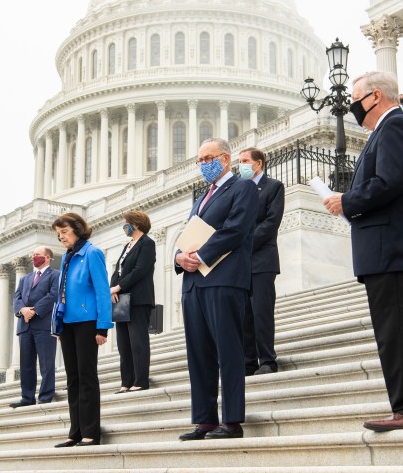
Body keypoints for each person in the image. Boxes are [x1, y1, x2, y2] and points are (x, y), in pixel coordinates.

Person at [323, 72, 403, 432]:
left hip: (394, 249)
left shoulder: (395, 127)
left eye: (356, 98)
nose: (352, 106)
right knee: (400, 330)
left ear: (375, 96)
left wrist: (347, 200)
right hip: (389, 249)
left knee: (398, 331)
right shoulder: (387, 131)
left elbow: (390, 182)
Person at [175, 137, 258, 441]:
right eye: (199, 160)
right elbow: (186, 234)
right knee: (199, 353)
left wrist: (201, 255)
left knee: (228, 350)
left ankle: (232, 419)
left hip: (224, 279)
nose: (202, 165)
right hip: (194, 282)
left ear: (224, 159)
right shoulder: (202, 196)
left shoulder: (243, 188)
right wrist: (179, 257)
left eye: (207, 158)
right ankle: (205, 419)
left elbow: (236, 230)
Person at [51, 213, 113, 447]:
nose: (61, 237)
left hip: (88, 322)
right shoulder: (67, 257)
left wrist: (103, 327)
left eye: (64, 232)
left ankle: (90, 432)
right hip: (67, 323)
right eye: (58, 234)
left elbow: (102, 291)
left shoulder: (91, 253)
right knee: (72, 379)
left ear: (77, 229)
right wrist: (58, 325)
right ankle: (75, 431)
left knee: (87, 377)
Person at [238, 147, 284, 376]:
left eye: (245, 161)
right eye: (239, 161)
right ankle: (248, 361)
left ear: (258, 163)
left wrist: (243, 244)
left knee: (261, 312)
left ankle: (267, 359)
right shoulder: (238, 190)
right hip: (240, 263)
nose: (241, 165)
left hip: (262, 259)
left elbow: (270, 223)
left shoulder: (273, 187)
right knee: (244, 314)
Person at [110, 210, 156, 393]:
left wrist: (119, 287)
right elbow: (118, 270)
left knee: (138, 342)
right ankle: (126, 382)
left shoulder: (147, 243)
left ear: (135, 223)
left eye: (126, 223)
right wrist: (112, 288)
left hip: (138, 299)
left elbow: (140, 270)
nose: (125, 226)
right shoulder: (128, 245)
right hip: (121, 301)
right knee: (123, 344)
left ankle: (140, 380)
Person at [10, 246, 60, 407]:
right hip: (24, 325)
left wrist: (35, 310)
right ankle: (27, 398)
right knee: (26, 364)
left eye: (37, 255)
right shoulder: (25, 278)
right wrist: (22, 310)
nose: (34, 257)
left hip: (43, 324)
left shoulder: (55, 275)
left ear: (47, 257)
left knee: (46, 363)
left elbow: (53, 295)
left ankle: (45, 396)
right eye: (33, 255)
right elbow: (17, 298)